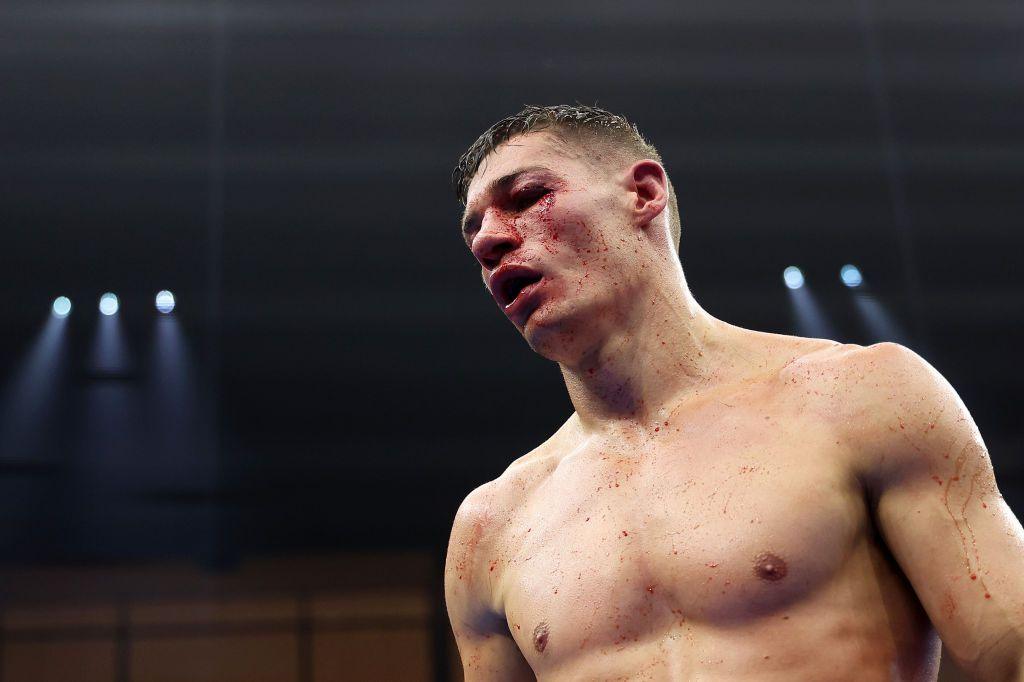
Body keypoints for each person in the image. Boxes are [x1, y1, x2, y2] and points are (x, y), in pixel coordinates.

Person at [443, 105, 1024, 680]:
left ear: (643, 194)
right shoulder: (493, 526)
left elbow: (1011, 646)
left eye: (525, 197)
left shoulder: (862, 398)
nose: (491, 240)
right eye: (475, 231)